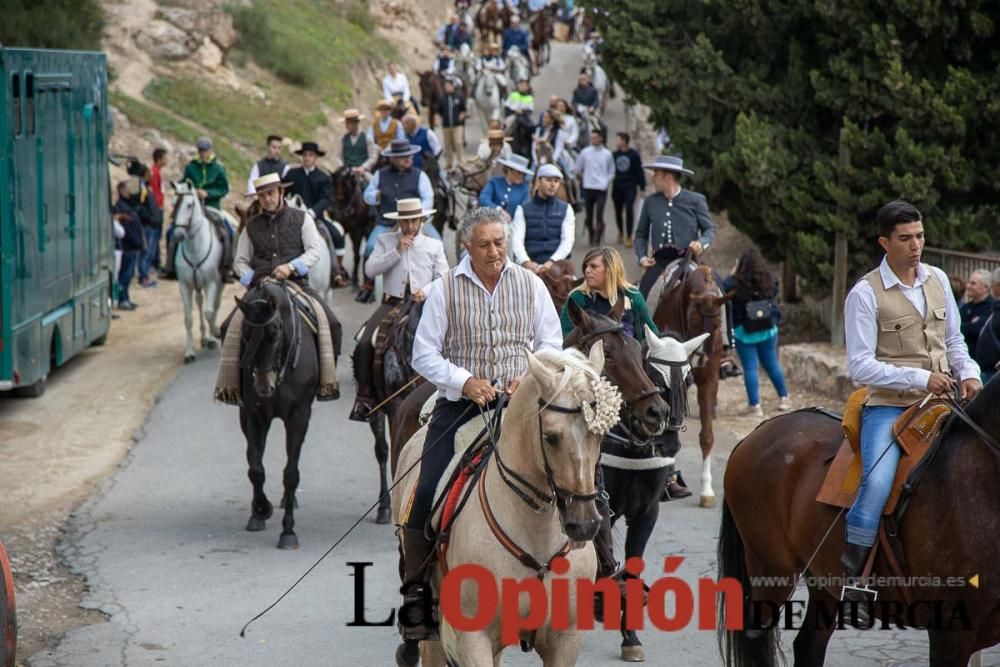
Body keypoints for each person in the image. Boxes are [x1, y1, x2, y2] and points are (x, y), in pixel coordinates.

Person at [399, 207, 563, 640]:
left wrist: (530, 375)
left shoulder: (530, 283)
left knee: (575, 467)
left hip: (521, 404)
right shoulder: (445, 289)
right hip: (462, 406)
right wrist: (464, 381)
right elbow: (424, 354)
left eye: (499, 243)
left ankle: (603, 564)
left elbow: (552, 341)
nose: (494, 252)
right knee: (428, 486)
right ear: (467, 247)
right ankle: (416, 591)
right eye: (484, 244)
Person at [841, 200, 981, 621]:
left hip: (946, 402)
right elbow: (860, 366)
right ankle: (856, 578)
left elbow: (954, 341)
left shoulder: (937, 279)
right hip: (891, 408)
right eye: (905, 238)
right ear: (884, 242)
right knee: (878, 482)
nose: (916, 245)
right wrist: (921, 380)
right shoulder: (864, 293)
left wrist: (970, 373)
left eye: (920, 236)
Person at [349, 199, 449, 421]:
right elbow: (370, 269)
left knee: (453, 337)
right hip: (392, 303)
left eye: (415, 220)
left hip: (425, 304)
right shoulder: (385, 241)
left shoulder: (434, 245)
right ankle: (364, 397)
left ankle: (455, 391)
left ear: (422, 220)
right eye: (406, 221)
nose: (411, 226)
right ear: (400, 221)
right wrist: (396, 251)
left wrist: (426, 290)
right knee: (365, 342)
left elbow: (444, 277)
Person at [233, 172, 343, 361]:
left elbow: (314, 251)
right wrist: (251, 279)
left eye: (271, 193)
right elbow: (240, 262)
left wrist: (291, 267)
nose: (267, 199)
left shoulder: (302, 219)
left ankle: (327, 379)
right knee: (229, 328)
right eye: (262, 196)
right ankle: (233, 386)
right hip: (260, 287)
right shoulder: (250, 226)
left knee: (333, 325)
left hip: (298, 284)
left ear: (281, 192)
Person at [360, 139, 437, 301]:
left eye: (409, 155)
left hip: (416, 221)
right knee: (368, 247)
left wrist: (418, 216)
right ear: (393, 158)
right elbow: (367, 195)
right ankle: (368, 286)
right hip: (386, 221)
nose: (408, 159)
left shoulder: (419, 175)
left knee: (438, 240)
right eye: (403, 156)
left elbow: (428, 198)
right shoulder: (380, 174)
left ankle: (439, 286)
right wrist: (375, 196)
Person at [722, 249, 790, 417]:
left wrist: (733, 273)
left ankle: (755, 406)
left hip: (744, 333)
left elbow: (724, 291)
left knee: (750, 368)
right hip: (768, 330)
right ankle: (784, 398)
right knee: (772, 364)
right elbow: (774, 296)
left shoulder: (733, 283)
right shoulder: (770, 281)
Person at [633, 155, 714, 294]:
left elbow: (709, 230)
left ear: (668, 177)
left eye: (656, 174)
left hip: (688, 260)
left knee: (718, 291)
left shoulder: (696, 200)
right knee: (641, 297)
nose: (653, 178)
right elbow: (641, 234)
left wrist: (701, 243)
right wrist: (642, 257)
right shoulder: (650, 202)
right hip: (659, 262)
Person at [164, 137, 234, 281]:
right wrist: (185, 189)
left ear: (211, 150)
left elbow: (223, 188)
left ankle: (226, 268)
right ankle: (170, 267)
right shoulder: (191, 167)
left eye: (205, 150)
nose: (203, 153)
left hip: (211, 206)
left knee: (228, 232)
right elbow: (184, 183)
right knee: (172, 230)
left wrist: (208, 193)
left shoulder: (219, 168)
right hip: (191, 207)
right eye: (200, 150)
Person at [511, 163, 575, 272]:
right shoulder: (522, 209)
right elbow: (516, 241)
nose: (553, 184)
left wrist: (552, 261)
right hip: (529, 265)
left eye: (556, 181)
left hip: (558, 265)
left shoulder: (566, 209)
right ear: (538, 181)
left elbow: (568, 241)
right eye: (549, 180)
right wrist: (526, 262)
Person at [575, 128, 615, 245]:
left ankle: (598, 236)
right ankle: (591, 233)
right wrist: (581, 178)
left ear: (601, 138)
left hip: (601, 188)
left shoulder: (607, 154)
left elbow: (612, 171)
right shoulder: (585, 152)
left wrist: (606, 182)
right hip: (588, 187)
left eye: (595, 137)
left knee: (599, 214)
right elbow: (578, 168)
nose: (593, 140)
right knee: (588, 214)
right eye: (592, 137)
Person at [114, 179, 145, 311]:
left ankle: (126, 297)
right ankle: (122, 299)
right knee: (124, 275)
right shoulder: (121, 207)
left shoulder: (129, 206)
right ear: (121, 191)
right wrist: (136, 242)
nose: (130, 191)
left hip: (132, 247)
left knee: (129, 274)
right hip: (127, 247)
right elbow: (126, 231)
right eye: (127, 189)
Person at [611, 132, 644, 247]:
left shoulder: (634, 155)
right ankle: (621, 231)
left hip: (630, 187)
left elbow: (639, 171)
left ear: (624, 141)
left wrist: (642, 187)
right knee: (618, 211)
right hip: (617, 186)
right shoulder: (614, 155)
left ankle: (629, 236)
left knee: (629, 210)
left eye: (618, 139)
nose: (616, 142)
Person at [478, 154, 532, 218]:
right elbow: (483, 199)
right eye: (519, 173)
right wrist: (498, 210)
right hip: (489, 220)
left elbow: (525, 208)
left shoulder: (524, 189)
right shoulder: (494, 182)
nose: (521, 176)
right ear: (509, 170)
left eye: (524, 174)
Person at [136, 165, 163, 289]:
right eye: (148, 173)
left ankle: (145, 275)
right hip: (147, 224)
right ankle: (143, 277)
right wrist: (149, 218)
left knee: (150, 251)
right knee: (146, 251)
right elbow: (139, 207)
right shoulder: (140, 188)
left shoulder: (145, 187)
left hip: (152, 224)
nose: (151, 175)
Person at [960, 268, 994, 356]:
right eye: (968, 282)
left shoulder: (991, 308)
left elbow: (977, 330)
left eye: (973, 283)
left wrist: (965, 326)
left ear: (985, 288)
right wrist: (970, 324)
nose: (968, 286)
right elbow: (953, 328)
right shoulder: (966, 307)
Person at [436, 79, 467, 169]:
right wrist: (439, 119)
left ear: (453, 86)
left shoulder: (459, 97)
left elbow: (463, 109)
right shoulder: (442, 98)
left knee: (458, 142)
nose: (447, 88)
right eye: (445, 86)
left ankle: (461, 161)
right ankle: (449, 162)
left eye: (449, 86)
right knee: (447, 144)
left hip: (457, 125)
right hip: (446, 126)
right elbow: (439, 111)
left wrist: (460, 117)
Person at [339, 108, 377, 174]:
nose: (346, 126)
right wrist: (342, 166)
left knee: (372, 182)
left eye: (349, 123)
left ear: (355, 123)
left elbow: (372, 157)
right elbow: (338, 156)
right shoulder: (343, 138)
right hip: (347, 170)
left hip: (362, 171)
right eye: (346, 123)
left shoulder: (367, 138)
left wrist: (363, 167)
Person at [149, 148, 167, 274]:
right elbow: (154, 192)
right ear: (159, 159)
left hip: (158, 208)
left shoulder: (157, 172)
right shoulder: (154, 173)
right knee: (153, 237)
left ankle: (156, 262)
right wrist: (157, 207)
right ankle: (151, 263)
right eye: (165, 158)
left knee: (157, 236)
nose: (167, 160)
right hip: (155, 210)